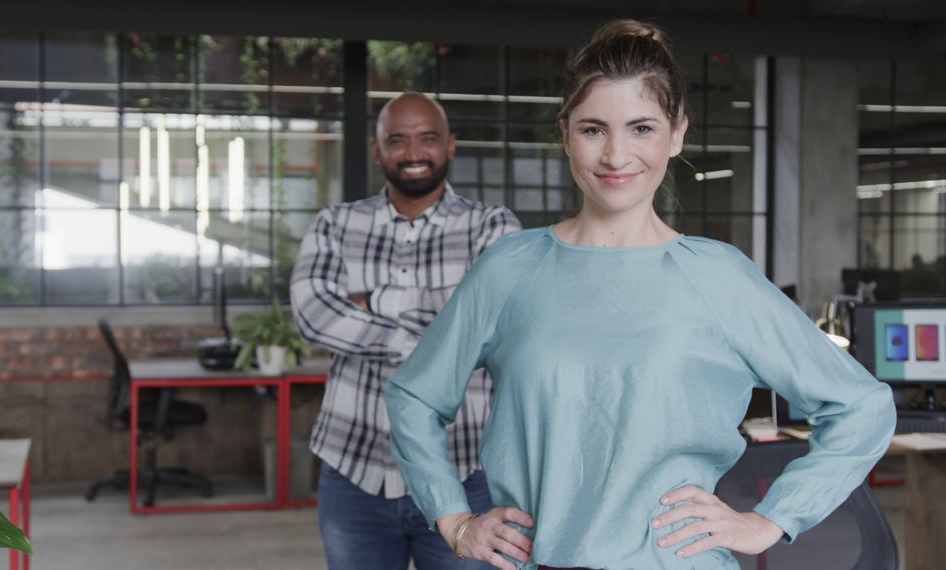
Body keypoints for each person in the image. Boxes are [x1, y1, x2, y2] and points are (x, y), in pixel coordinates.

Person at [385, 20, 896, 570]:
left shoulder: (718, 278)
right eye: (594, 129)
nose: (616, 155)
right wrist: (455, 519)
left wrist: (768, 519)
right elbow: (414, 397)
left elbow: (861, 406)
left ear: (677, 134)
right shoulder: (510, 269)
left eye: (642, 128)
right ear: (565, 134)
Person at [291, 91, 522, 569]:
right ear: (378, 151)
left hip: (466, 473)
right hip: (354, 472)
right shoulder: (336, 223)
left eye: (427, 138)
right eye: (397, 140)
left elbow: (495, 321)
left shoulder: (492, 225)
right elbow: (313, 313)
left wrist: (373, 301)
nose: (413, 152)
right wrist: (443, 330)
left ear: (450, 145)